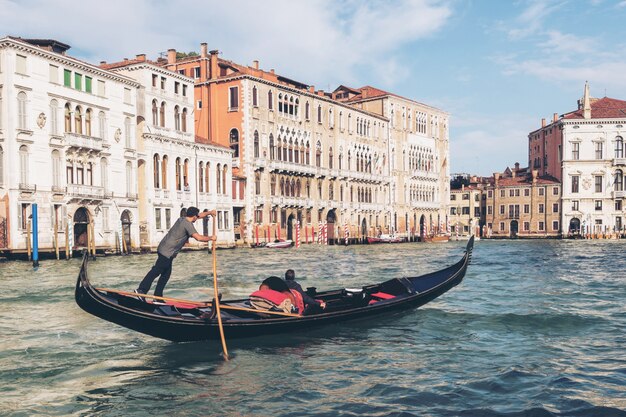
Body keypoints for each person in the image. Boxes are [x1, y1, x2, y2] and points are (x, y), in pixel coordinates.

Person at [136, 207, 215, 299]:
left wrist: (210, 212)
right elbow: (198, 238)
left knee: (165, 274)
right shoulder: (188, 225)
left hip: (164, 249)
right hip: (167, 251)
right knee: (156, 271)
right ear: (193, 216)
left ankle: (157, 297)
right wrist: (211, 238)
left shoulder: (182, 219)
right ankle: (141, 291)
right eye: (196, 216)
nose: (197, 218)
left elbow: (200, 215)